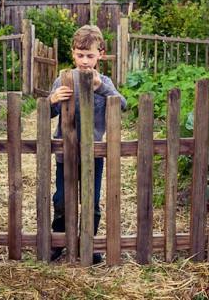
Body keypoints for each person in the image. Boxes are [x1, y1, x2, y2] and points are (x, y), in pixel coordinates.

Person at [48, 25, 127, 264]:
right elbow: (49, 112)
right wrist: (53, 100)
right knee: (62, 198)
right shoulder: (63, 79)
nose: (84, 61)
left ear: (100, 54)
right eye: (80, 55)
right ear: (73, 53)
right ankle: (59, 241)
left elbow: (122, 105)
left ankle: (89, 244)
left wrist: (100, 88)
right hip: (66, 152)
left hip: (94, 153)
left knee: (90, 201)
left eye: (90, 56)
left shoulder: (104, 81)